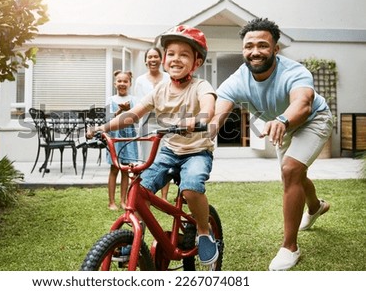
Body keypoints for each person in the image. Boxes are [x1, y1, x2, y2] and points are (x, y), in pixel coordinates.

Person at [88, 25, 219, 265]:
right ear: (165, 58)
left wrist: (197, 120)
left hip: (196, 151)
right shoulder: (160, 90)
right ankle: (133, 244)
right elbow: (133, 115)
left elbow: (209, 108)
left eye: (184, 54)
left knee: (190, 187)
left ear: (197, 62)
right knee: (140, 190)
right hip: (169, 150)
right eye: (171, 53)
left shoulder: (201, 86)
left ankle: (202, 230)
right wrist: (102, 128)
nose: (176, 58)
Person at [210, 18, 333, 270]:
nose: (255, 52)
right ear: (243, 49)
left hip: (311, 120)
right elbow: (216, 117)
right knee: (293, 174)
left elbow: (303, 103)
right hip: (282, 124)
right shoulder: (237, 80)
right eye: (249, 46)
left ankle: (290, 247)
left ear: (275, 49)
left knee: (290, 171)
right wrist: (203, 134)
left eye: (263, 45)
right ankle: (315, 206)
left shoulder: (294, 72)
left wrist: (283, 120)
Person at [134, 47, 170, 200]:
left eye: (155, 57)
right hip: (147, 123)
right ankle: (147, 194)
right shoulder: (140, 80)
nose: (152, 60)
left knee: (165, 158)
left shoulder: (168, 77)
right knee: (147, 160)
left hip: (166, 123)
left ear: (161, 60)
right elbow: (138, 104)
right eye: (149, 57)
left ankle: (163, 197)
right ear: (145, 60)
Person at [105, 70, 139, 210]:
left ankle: (123, 201)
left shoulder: (134, 100)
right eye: (119, 81)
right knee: (114, 169)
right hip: (115, 137)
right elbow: (108, 119)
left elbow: (136, 119)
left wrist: (129, 110)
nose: (122, 83)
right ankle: (111, 202)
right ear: (115, 83)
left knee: (126, 170)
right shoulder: (110, 100)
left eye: (125, 81)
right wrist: (120, 111)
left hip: (128, 137)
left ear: (130, 83)